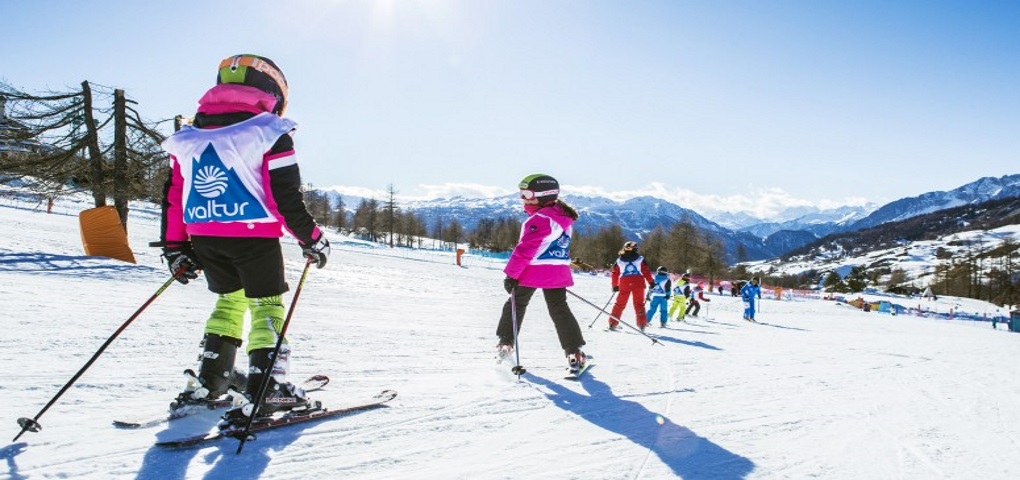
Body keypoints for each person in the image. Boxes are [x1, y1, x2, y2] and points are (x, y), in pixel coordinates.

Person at [159, 54, 331, 426]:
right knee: (267, 305)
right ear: (273, 91)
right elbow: (284, 197)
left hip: (205, 237)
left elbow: (175, 194)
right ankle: (266, 386)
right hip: (254, 238)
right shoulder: (269, 131)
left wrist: (175, 248)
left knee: (229, 302)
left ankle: (211, 381)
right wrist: (312, 238)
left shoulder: (189, 135)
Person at [496, 174, 588, 372]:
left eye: (528, 194)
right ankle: (574, 352)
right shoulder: (563, 217)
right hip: (557, 272)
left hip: (533, 270)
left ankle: (506, 342)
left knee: (516, 304)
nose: (523, 198)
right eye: (521, 194)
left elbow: (525, 249)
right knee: (559, 310)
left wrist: (511, 275)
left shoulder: (540, 219)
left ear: (545, 195)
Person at [609, 241, 655, 330]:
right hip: (638, 282)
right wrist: (651, 282)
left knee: (620, 304)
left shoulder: (619, 260)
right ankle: (642, 324)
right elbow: (645, 271)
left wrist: (615, 285)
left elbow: (615, 273)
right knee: (639, 304)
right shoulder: (640, 259)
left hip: (624, 282)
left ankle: (613, 323)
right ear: (635, 249)